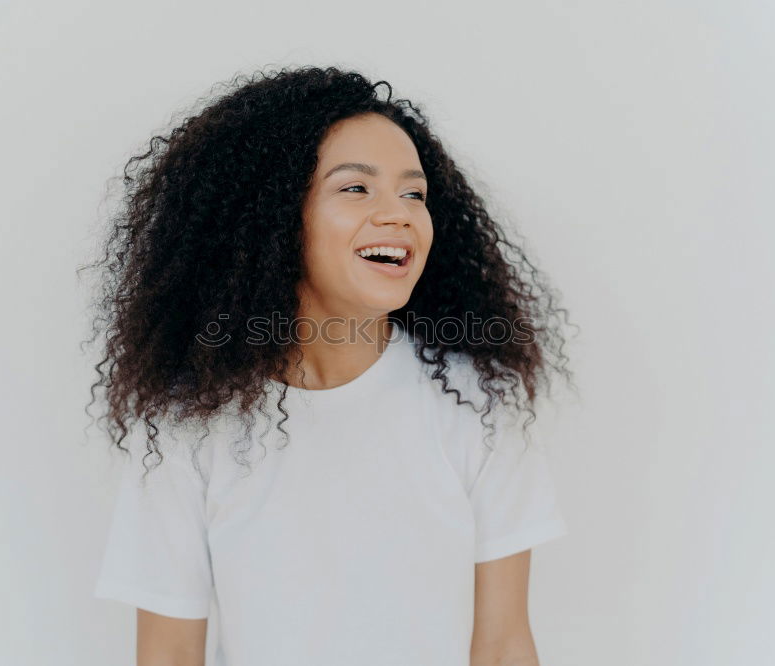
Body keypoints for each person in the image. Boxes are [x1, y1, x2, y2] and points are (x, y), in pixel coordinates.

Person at [82, 65, 577, 666]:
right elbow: (168, 653)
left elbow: (502, 646)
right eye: (356, 188)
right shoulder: (189, 423)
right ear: (272, 219)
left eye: (413, 193)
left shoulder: (479, 402)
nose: (398, 214)